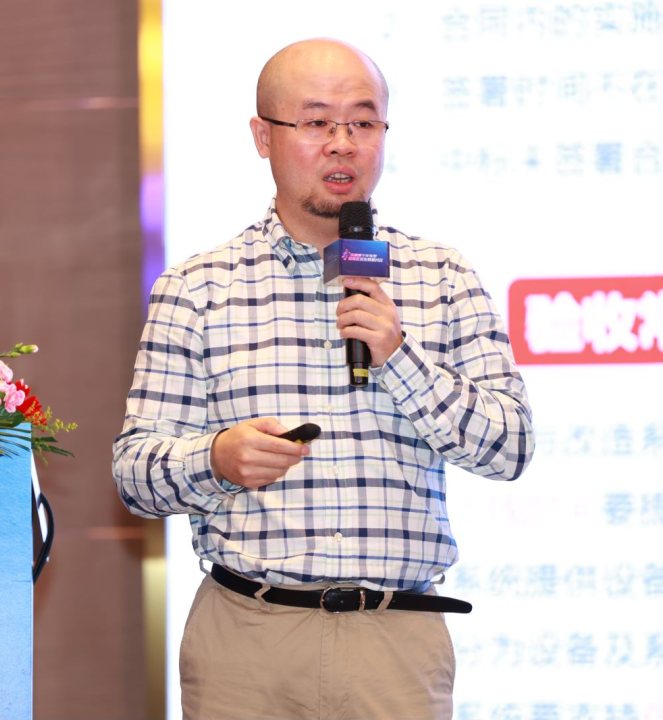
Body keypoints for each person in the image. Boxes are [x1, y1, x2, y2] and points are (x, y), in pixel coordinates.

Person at [113, 38, 534, 720]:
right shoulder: (197, 288)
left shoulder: (443, 277)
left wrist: (399, 357)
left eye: (363, 122)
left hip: (395, 646)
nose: (343, 143)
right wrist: (215, 458)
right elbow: (135, 475)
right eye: (316, 122)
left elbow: (510, 447)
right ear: (264, 137)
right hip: (246, 641)